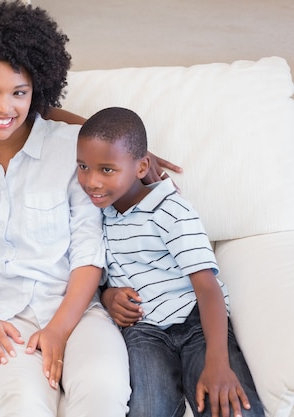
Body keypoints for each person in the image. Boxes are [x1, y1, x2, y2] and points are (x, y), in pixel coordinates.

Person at [0, 3, 131, 416]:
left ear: (37, 89)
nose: (3, 108)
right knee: (20, 405)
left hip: (76, 311)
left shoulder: (72, 148)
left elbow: (87, 249)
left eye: (18, 93)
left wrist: (59, 330)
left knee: (103, 392)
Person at [76, 107, 264, 417]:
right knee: (148, 410)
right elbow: (101, 276)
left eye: (107, 169)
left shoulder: (171, 210)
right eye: (83, 166)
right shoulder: (95, 214)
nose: (91, 181)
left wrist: (218, 361)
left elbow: (207, 288)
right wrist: (108, 297)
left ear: (141, 167)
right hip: (143, 330)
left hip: (196, 323)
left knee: (231, 408)